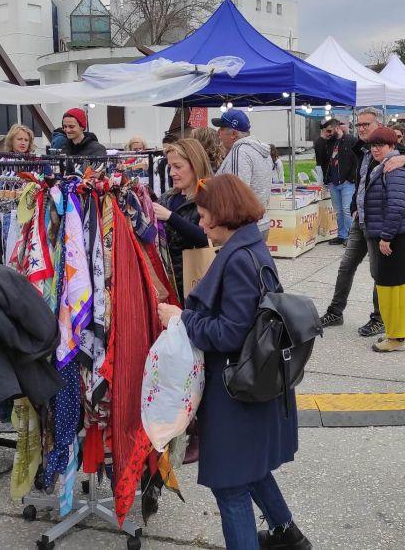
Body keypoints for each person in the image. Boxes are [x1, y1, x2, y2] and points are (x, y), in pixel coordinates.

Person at [156, 174, 309, 550]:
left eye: (206, 215)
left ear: (224, 214)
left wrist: (181, 318)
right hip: (250, 384)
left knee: (230, 485)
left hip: (233, 390)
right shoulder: (249, 247)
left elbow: (229, 334)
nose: (202, 223)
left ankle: (281, 535)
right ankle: (286, 533)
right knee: (251, 469)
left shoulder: (238, 258)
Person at [317, 107, 405, 338]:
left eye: (366, 125)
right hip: (361, 218)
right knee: (346, 265)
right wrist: (354, 209)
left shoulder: (392, 149)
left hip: (378, 223)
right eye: (359, 125)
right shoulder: (362, 148)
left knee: (377, 272)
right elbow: (360, 182)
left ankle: (379, 318)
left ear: (378, 125)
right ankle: (335, 311)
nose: (362, 129)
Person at [358, 127, 405, 353]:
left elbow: (395, 207)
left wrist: (385, 236)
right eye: (373, 145)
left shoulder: (393, 170)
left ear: (392, 147)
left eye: (380, 145)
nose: (375, 149)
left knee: (393, 289)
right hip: (394, 235)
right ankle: (402, 333)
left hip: (393, 237)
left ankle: (397, 337)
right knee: (397, 287)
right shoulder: (385, 166)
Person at [152, 138, 213, 297]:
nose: (172, 173)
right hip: (169, 284)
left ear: (195, 165)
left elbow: (208, 239)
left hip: (197, 283)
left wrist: (171, 217)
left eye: (178, 167)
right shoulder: (167, 198)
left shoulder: (209, 197)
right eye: (170, 167)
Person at [213, 109, 273, 236]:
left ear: (234, 134)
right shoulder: (260, 150)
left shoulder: (240, 151)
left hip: (242, 227)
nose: (218, 133)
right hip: (260, 223)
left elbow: (236, 195)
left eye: (221, 128)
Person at [314, 117, 359, 246]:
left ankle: (352, 237)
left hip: (347, 182)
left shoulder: (351, 140)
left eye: (329, 131)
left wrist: (350, 178)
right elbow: (319, 157)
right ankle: (342, 235)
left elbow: (356, 160)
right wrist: (322, 137)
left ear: (337, 128)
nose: (328, 134)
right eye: (326, 131)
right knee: (338, 211)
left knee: (346, 209)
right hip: (333, 182)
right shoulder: (328, 142)